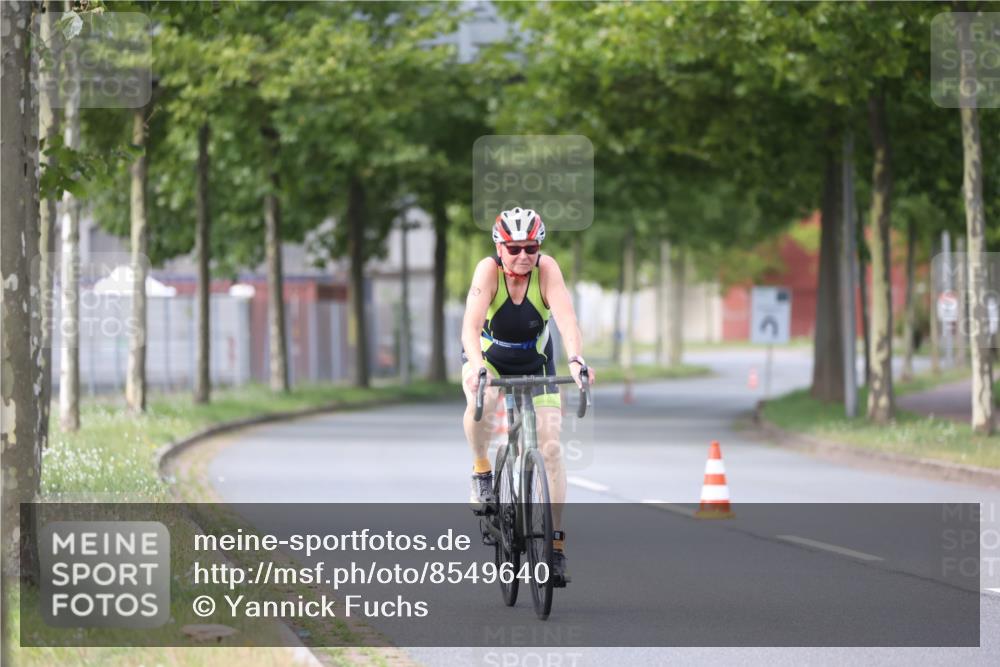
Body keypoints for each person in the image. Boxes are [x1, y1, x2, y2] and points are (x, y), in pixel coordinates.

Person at [460, 206, 594, 586]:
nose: (523, 255)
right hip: (489, 359)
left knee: (550, 448)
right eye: (514, 248)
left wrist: (576, 359)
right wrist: (478, 366)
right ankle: (482, 470)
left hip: (537, 363)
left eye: (531, 248)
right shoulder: (487, 271)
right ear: (499, 248)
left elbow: (567, 320)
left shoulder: (546, 270)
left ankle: (555, 546)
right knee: (481, 402)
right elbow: (470, 327)